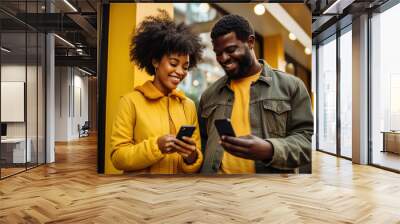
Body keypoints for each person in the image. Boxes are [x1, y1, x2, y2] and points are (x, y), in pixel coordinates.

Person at [199, 15, 313, 174]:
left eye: (231, 50)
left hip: (268, 192)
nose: (223, 58)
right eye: (218, 53)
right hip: (217, 190)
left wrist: (270, 150)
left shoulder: (291, 86)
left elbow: (307, 143)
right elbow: (203, 143)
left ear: (250, 42)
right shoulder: (209, 95)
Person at [110, 11, 204, 174]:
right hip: (142, 194)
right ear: (155, 61)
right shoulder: (130, 102)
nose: (180, 71)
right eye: (173, 63)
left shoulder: (188, 106)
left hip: (178, 192)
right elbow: (118, 157)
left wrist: (192, 156)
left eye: (185, 67)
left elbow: (194, 162)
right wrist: (156, 147)